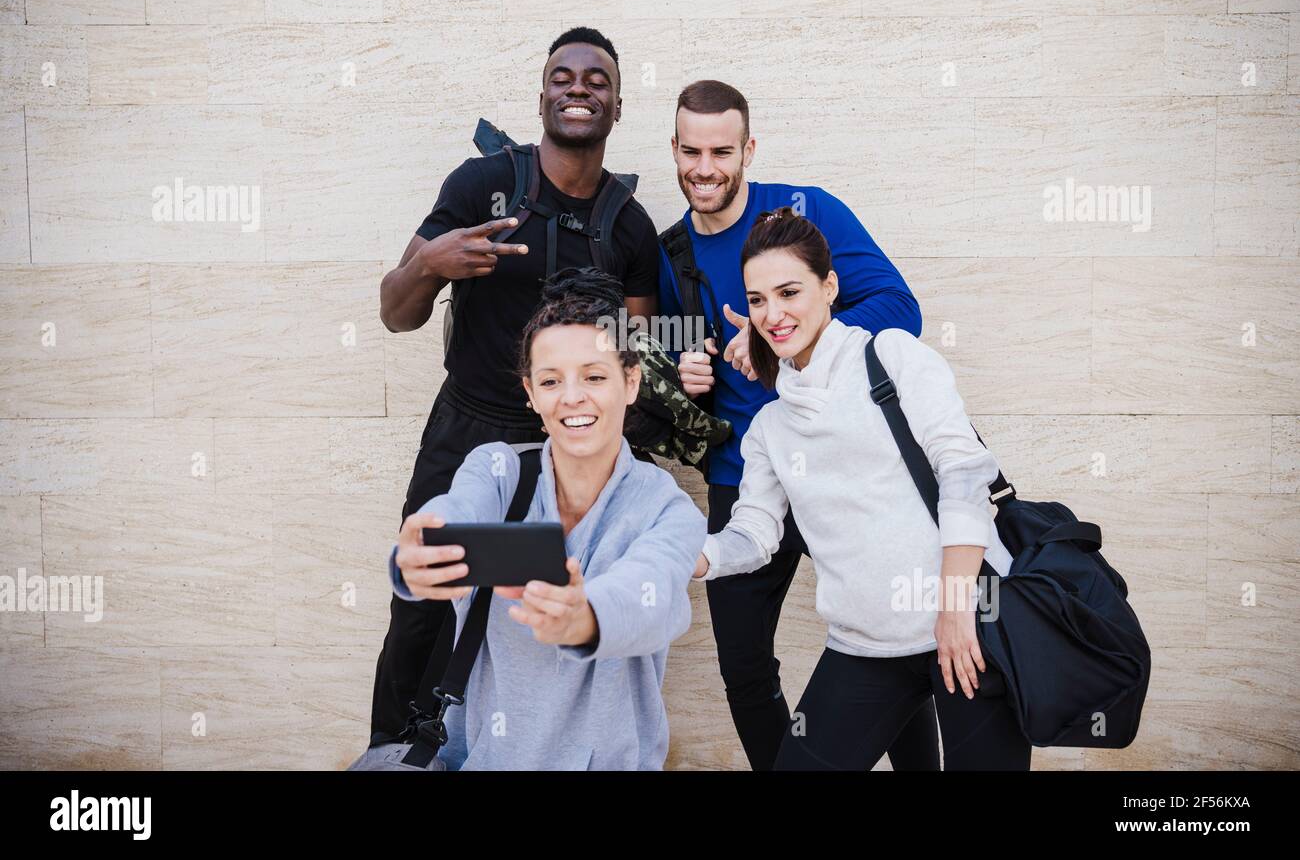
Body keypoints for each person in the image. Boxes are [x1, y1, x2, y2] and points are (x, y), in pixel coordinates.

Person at [370, 26, 662, 743]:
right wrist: (431, 262)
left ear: (617, 108)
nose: (579, 87)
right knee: (426, 604)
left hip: (565, 453)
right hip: (467, 429)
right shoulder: (480, 186)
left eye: (598, 80)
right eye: (564, 76)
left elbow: (638, 364)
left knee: (535, 622)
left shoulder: (630, 229)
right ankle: (397, 755)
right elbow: (393, 313)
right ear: (542, 98)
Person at [657, 79, 939, 770]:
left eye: (722, 150)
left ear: (747, 149)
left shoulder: (807, 218)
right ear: (674, 150)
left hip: (842, 464)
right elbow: (663, 354)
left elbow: (901, 309)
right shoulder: (668, 255)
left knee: (896, 645)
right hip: (745, 478)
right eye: (691, 151)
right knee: (744, 669)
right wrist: (681, 372)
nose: (705, 167)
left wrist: (784, 342)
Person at [693, 208, 1031, 771]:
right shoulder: (771, 427)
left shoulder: (893, 357)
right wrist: (688, 555)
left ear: (829, 287)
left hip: (968, 624)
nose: (773, 315)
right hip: (865, 646)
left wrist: (953, 609)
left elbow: (963, 473)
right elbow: (753, 536)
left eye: (789, 292)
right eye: (757, 300)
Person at [390, 269, 704, 770]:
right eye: (551, 381)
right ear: (531, 394)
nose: (572, 397)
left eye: (595, 376)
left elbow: (653, 593)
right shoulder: (499, 470)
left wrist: (584, 617)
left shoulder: (665, 507)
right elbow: (454, 513)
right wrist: (421, 553)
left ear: (631, 381)